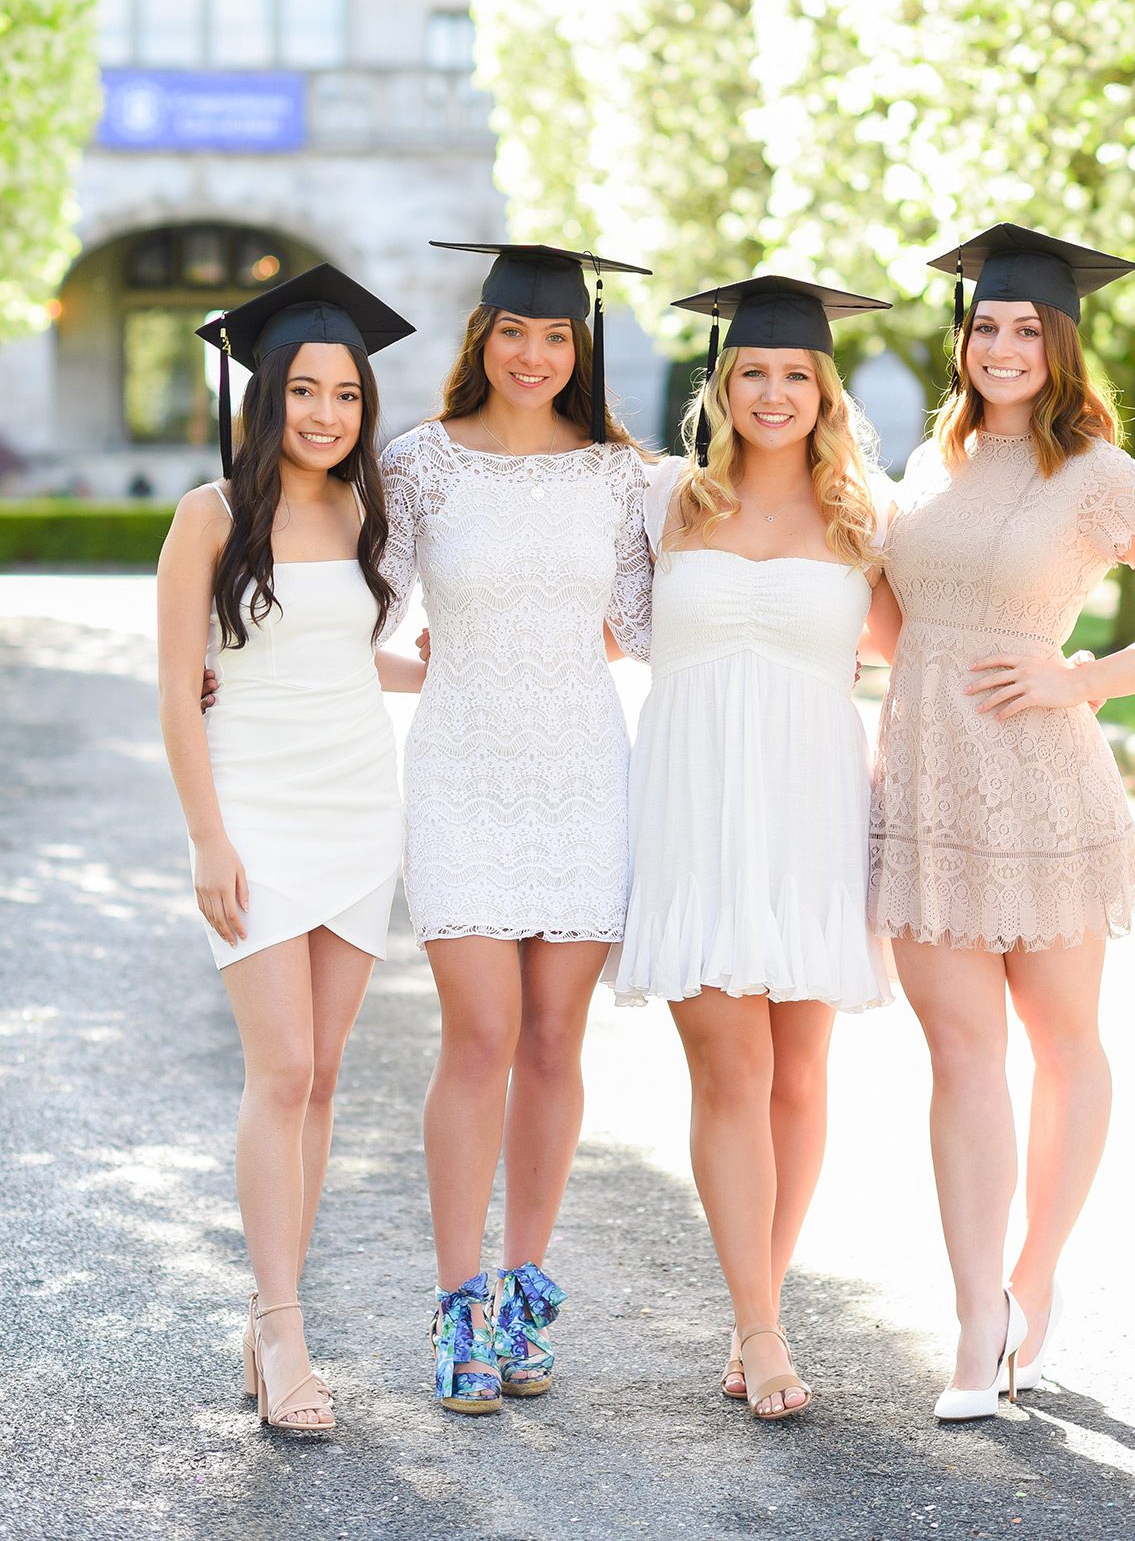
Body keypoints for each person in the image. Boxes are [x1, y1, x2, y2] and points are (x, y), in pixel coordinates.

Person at [867, 224, 1135, 1421]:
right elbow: (894, 621)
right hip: (924, 780)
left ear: (1063, 341)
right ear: (963, 337)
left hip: (1041, 781)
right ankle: (979, 1312)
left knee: (1062, 1037)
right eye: (987, 324)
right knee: (963, 1052)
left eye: (1028, 326)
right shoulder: (924, 468)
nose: (1003, 344)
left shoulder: (1095, 473)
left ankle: (1035, 1273)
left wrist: (1080, 679)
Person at [614, 276, 899, 1422]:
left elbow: (928, 649)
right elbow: (547, 608)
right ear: (721, 385)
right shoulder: (658, 502)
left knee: (801, 1075)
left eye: (796, 375)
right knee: (731, 1070)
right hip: (692, 811)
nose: (773, 392)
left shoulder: (864, 517)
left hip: (812, 808)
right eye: (753, 373)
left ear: (824, 389)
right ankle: (764, 1329)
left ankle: (756, 1304)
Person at [381, 241, 653, 1414]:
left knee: (554, 1040)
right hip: (461, 770)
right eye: (513, 332)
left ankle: (527, 1287)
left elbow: (647, 621)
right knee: (479, 1034)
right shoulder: (419, 465)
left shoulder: (621, 473)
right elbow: (364, 609)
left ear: (578, 347)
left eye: (555, 338)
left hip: (584, 773)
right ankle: (458, 1309)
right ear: (481, 336)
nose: (534, 355)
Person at [158, 267, 421, 1436]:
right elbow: (177, 690)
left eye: (348, 395)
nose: (326, 413)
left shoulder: (368, 514)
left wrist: (465, 671)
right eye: (304, 390)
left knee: (324, 1078)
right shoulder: (209, 514)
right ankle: (281, 1323)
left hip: (360, 806)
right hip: (255, 813)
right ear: (267, 397)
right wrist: (208, 836)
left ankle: (278, 1306)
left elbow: (343, 653)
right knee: (281, 1068)